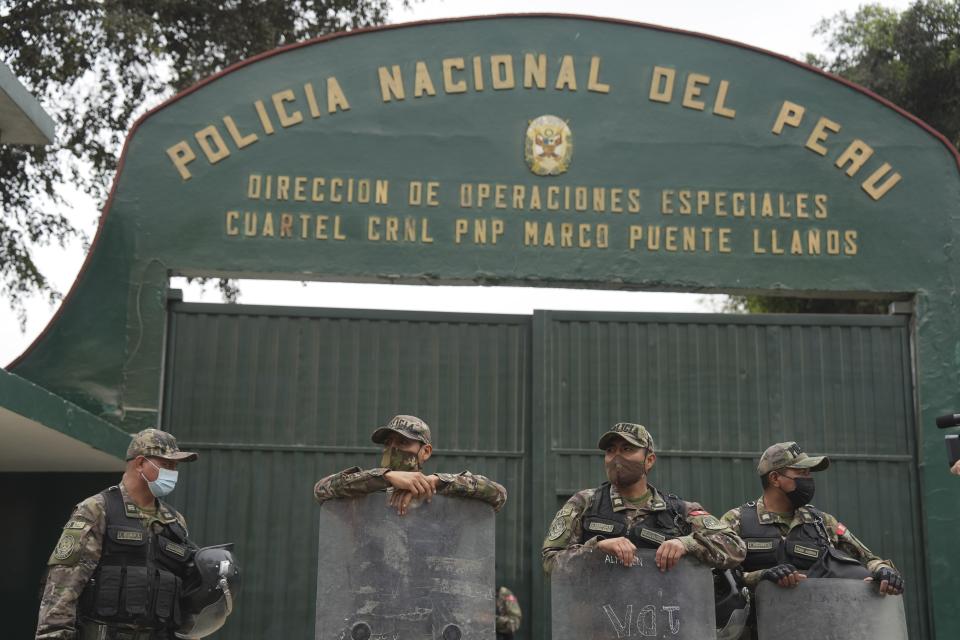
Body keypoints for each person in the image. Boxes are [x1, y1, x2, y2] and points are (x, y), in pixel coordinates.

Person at [36, 429, 200, 640]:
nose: (173, 472)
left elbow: (184, 594)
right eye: (166, 464)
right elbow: (63, 585)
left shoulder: (174, 521)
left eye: (175, 466)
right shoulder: (98, 509)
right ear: (140, 464)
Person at [542, 422, 745, 574]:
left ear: (649, 460)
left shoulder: (679, 511)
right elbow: (550, 561)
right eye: (610, 450)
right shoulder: (585, 503)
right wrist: (596, 548)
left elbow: (734, 547)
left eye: (627, 449)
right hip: (597, 624)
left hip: (660, 622)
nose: (616, 457)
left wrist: (686, 544)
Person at [720, 441, 904, 596]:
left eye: (809, 473)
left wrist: (884, 570)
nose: (808, 480)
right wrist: (762, 576)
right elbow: (720, 577)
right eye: (801, 473)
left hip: (815, 624)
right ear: (775, 478)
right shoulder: (737, 521)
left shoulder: (822, 523)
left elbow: (869, 560)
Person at [314, 414, 507, 514]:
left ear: (425, 452)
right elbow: (321, 490)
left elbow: (498, 494)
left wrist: (437, 482)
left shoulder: (443, 493)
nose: (393, 448)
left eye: (403, 443)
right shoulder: (367, 490)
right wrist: (385, 477)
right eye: (388, 443)